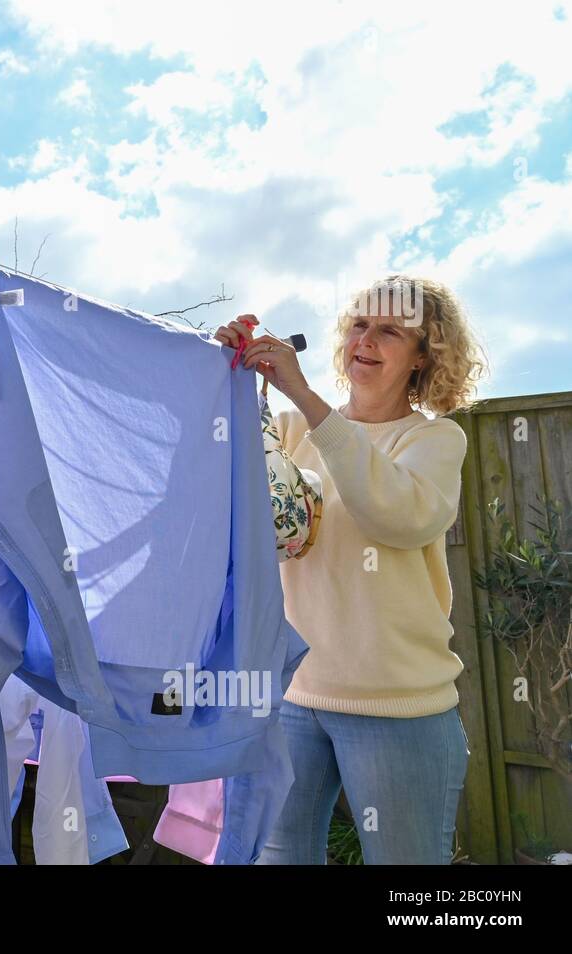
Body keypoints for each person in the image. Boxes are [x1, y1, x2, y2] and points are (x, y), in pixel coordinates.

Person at [214, 275, 487, 864]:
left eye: (390, 330)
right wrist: (223, 376)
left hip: (398, 707)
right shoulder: (284, 432)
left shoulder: (435, 440)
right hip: (290, 697)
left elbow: (395, 516)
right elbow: (208, 488)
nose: (366, 339)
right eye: (360, 324)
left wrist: (305, 397)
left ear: (424, 356)